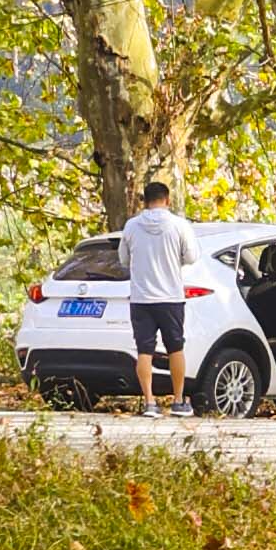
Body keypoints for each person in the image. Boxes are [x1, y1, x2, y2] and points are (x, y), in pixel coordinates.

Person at [121, 171, 197, 415]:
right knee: (175, 348)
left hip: (141, 298)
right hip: (171, 297)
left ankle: (150, 402)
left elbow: (123, 259)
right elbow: (191, 257)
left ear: (145, 201)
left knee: (144, 350)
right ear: (167, 200)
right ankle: (178, 400)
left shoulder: (131, 226)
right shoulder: (179, 225)